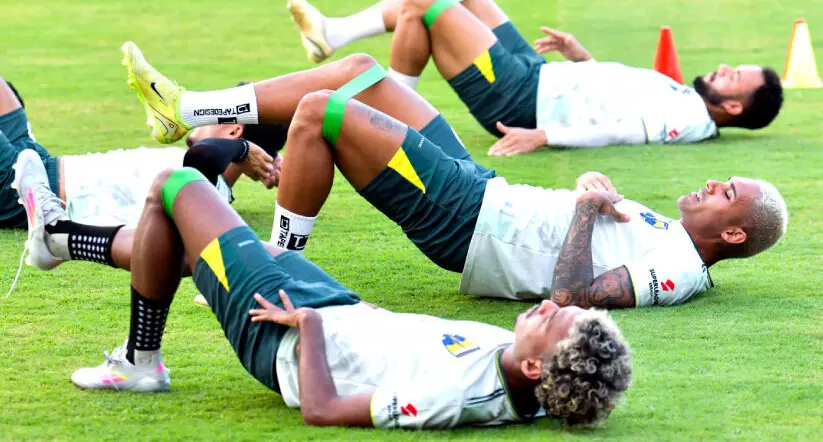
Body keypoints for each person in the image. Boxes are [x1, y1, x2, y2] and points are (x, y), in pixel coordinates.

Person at [115, 45, 788, 310]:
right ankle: (187, 110)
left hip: (470, 223)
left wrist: (587, 207)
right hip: (483, 190)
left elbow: (571, 297)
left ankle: (273, 271)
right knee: (361, 72)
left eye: (726, 193)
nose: (712, 185)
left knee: (322, 113)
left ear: (732, 233)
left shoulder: (678, 271)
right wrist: (591, 190)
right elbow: (592, 222)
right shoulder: (674, 236)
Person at [14, 150, 632, 429]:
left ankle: (139, 362)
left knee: (176, 188)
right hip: (333, 306)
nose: (548, 305)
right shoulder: (527, 376)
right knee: (183, 244)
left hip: (289, 329)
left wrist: (308, 328)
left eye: (554, 320)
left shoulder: (453, 397)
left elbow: (323, 410)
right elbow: (561, 386)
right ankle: (60, 241)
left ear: (535, 365)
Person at [283, 0, 784, 154]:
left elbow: (621, 130)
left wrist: (544, 135)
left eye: (734, 77)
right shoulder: (689, 100)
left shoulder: (691, 120)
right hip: (541, 74)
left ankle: (393, 115)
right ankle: (334, 33)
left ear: (734, 107)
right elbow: (618, 99)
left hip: (524, 99)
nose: (724, 68)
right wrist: (583, 58)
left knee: (423, 3)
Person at [0, 76, 286, 229]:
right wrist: (264, 157)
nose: (203, 114)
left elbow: (205, 155)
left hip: (26, 193)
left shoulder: (207, 190)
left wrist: (243, 151)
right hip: (40, 164)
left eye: (217, 109)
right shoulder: (210, 185)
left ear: (234, 130)